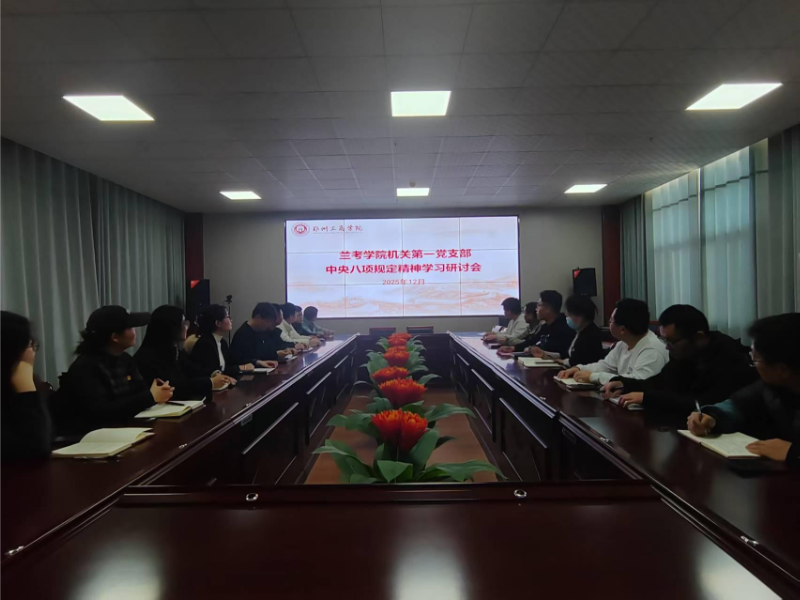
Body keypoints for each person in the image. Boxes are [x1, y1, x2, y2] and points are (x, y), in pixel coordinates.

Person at [688, 313, 800, 465]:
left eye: (755, 360)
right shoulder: (772, 386)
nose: (753, 366)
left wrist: (793, 453)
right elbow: (739, 404)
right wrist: (712, 417)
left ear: (783, 369)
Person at [605, 305, 758, 411]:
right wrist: (625, 384)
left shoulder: (730, 359)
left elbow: (704, 403)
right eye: (664, 340)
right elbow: (660, 382)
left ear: (698, 337)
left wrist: (647, 398)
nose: (667, 347)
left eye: (671, 342)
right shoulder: (685, 354)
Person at [59, 306, 174, 430]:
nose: (135, 332)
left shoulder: (125, 359)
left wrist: (158, 391)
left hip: (125, 428)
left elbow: (139, 391)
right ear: (115, 337)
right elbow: (102, 411)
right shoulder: (85, 367)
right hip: (93, 435)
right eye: (130, 328)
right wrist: (150, 397)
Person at [558, 298, 668, 385]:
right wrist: (579, 368)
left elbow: (636, 382)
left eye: (611, 320)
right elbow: (606, 366)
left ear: (622, 329)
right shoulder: (623, 344)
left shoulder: (652, 350)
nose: (609, 323)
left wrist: (593, 377)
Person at [135, 306, 235, 401]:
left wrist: (214, 374)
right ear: (170, 327)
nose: (186, 327)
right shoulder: (149, 357)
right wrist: (210, 382)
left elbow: (193, 369)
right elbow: (175, 386)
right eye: (183, 323)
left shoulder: (174, 350)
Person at [1, 311, 52, 460]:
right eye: (29, 345)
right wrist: (25, 384)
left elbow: (47, 436)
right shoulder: (22, 381)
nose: (33, 352)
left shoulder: (16, 383)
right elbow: (36, 448)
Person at [500, 291, 575, 359]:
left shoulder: (565, 328)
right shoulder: (545, 327)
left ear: (548, 308)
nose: (536, 309)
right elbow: (530, 342)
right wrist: (513, 348)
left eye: (539, 305)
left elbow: (564, 354)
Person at [187, 304, 254, 377]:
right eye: (228, 317)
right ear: (218, 323)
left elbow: (228, 366)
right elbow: (213, 372)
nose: (231, 320)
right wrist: (242, 367)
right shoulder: (205, 343)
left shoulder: (222, 342)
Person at [559, 294, 605, 366]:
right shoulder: (580, 331)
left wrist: (561, 361)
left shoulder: (590, 336)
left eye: (569, 315)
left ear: (580, 316)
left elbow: (578, 361)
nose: (567, 318)